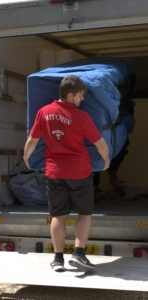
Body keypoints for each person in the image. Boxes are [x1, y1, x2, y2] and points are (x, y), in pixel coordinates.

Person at [23, 75, 109, 272]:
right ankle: (79, 254)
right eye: (80, 95)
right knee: (84, 213)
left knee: (57, 215)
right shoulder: (81, 116)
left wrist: (26, 157)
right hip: (79, 173)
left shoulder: (43, 112)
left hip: (54, 173)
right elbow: (100, 143)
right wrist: (106, 161)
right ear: (70, 95)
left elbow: (32, 140)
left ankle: (58, 259)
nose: (83, 99)